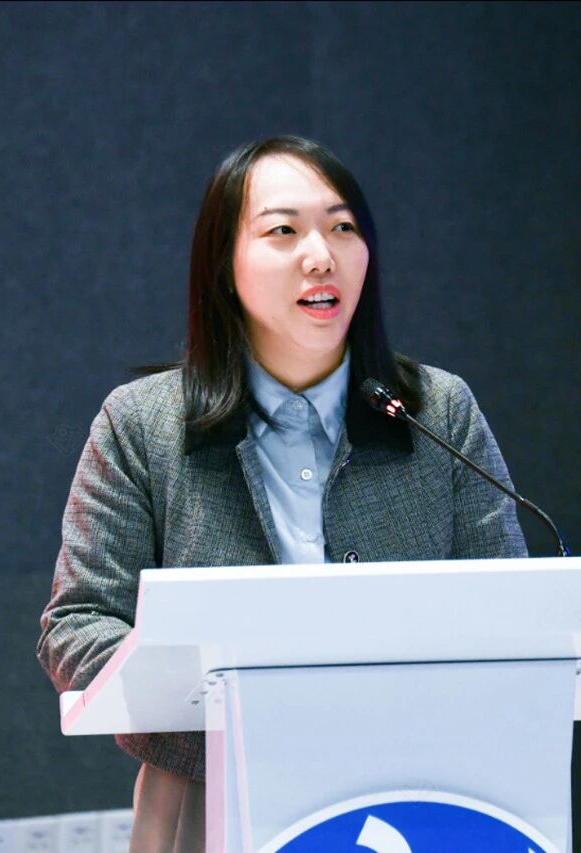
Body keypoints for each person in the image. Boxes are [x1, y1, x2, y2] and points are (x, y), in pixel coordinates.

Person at [36, 136, 527, 852]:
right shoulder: (141, 424)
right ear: (224, 265)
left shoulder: (438, 411)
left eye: (343, 226)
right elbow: (77, 626)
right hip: (207, 799)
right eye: (284, 231)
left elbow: (513, 613)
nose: (321, 255)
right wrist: (237, 696)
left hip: (415, 796)